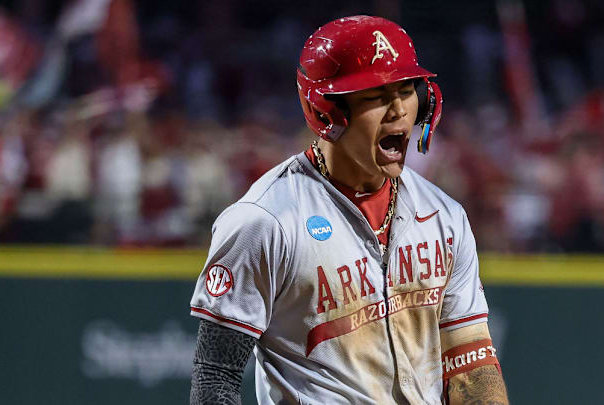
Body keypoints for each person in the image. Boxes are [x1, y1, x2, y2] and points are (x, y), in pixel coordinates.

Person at [189, 15, 508, 405]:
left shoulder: (444, 215)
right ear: (326, 112)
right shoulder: (265, 221)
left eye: (406, 90)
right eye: (375, 95)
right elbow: (215, 379)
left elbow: (469, 364)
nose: (398, 111)